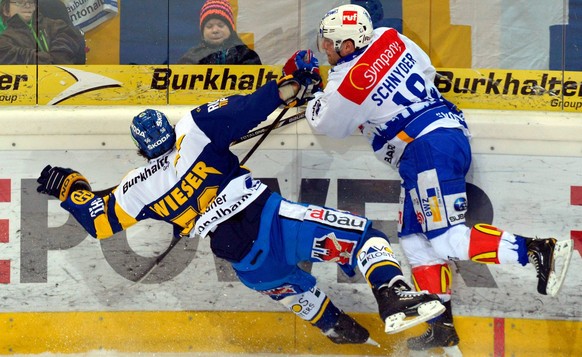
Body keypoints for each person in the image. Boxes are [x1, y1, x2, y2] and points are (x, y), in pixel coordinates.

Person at [36, 70, 447, 346]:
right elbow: (253, 107)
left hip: (243, 263)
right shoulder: (193, 130)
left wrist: (71, 186)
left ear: (141, 150)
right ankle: (393, 298)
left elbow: (96, 220)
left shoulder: (133, 188)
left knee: (307, 298)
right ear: (167, 126)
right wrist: (293, 85)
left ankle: (347, 333)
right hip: (270, 222)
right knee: (366, 238)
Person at [287, 4, 574, 352]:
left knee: (447, 239)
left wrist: (313, 89)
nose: (325, 48)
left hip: (427, 149)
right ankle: (443, 331)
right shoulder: (389, 37)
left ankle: (537, 250)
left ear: (348, 45)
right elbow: (427, 68)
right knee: (415, 242)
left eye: (330, 43)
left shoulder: (348, 84)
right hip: (438, 139)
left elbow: (327, 124)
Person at [0, 0, 85, 64]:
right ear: (5, 10)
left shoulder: (59, 26)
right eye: (19, 2)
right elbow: (14, 58)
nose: (27, 5)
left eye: (31, 1)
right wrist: (51, 60)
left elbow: (66, 51)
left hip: (68, 81)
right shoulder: (4, 40)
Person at [177, 0, 261, 65]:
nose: (215, 30)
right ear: (202, 31)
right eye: (209, 26)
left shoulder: (246, 55)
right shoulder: (191, 57)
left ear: (231, 29)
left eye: (220, 25)